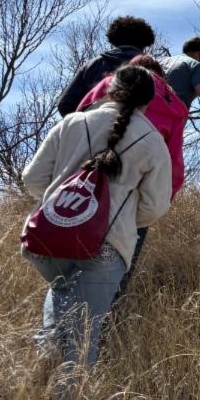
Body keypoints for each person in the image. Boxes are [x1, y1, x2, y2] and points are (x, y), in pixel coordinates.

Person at [22, 65, 172, 400]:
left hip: (48, 242)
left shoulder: (72, 123)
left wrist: (66, 210)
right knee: (81, 340)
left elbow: (32, 178)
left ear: (107, 90)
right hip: (105, 249)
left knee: (58, 314)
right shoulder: (152, 141)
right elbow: (154, 207)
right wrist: (114, 219)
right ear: (148, 104)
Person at [76, 55, 187, 300]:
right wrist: (148, 211)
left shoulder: (104, 87)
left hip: (82, 190)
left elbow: (76, 125)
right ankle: (108, 323)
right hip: (132, 203)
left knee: (70, 269)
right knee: (118, 271)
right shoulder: (173, 105)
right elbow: (174, 169)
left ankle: (67, 320)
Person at [56, 16, 157, 117]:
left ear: (114, 39)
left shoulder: (93, 65)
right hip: (146, 130)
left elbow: (65, 104)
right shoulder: (155, 69)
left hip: (95, 127)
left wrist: (84, 125)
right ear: (146, 42)